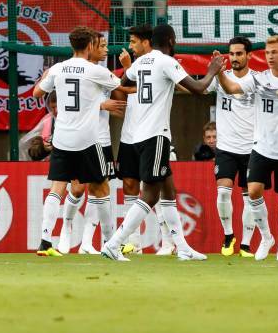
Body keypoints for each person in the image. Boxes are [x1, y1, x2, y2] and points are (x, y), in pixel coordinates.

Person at [101, 24, 224, 261]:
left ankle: (183, 247)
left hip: (136, 136)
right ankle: (115, 243)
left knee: (169, 191)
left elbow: (123, 80)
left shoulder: (140, 62)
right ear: (170, 40)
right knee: (150, 195)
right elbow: (200, 88)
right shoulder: (166, 62)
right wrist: (213, 69)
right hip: (155, 136)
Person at [32, 26, 125, 257]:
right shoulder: (95, 70)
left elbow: (36, 93)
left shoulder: (58, 68)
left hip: (62, 138)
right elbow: (120, 84)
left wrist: (47, 78)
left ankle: (45, 241)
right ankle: (110, 245)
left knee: (57, 187)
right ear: (90, 46)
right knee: (102, 187)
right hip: (87, 140)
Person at [216, 36, 278, 261]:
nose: (270, 56)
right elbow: (232, 88)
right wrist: (219, 72)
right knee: (252, 192)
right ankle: (266, 237)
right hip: (261, 147)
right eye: (268, 52)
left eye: (274, 52)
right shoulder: (259, 79)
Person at [56, 32, 128, 255]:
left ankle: (88, 241)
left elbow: (121, 95)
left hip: (102, 138)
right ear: (91, 47)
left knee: (100, 189)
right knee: (77, 188)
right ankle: (65, 229)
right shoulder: (74, 71)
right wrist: (100, 106)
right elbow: (67, 105)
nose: (106, 50)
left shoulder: (102, 73)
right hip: (80, 137)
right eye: (102, 45)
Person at [117, 24, 177, 256]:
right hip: (129, 135)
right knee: (130, 185)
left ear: (147, 42)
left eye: (133, 42)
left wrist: (127, 70)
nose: (130, 47)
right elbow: (121, 88)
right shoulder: (132, 69)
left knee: (157, 186)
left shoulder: (161, 65)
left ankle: (168, 242)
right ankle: (133, 243)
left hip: (152, 133)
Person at [207, 37, 257, 257]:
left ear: (249, 55)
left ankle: (246, 244)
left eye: (239, 54)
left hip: (252, 148)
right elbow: (197, 88)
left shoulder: (256, 80)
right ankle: (229, 236)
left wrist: (217, 71)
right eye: (232, 54)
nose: (234, 58)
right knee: (222, 194)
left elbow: (231, 88)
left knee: (251, 197)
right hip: (226, 147)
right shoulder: (220, 77)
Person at [19, 91, 57, 161]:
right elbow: (24, 143)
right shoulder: (48, 119)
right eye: (53, 107)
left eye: (57, 107)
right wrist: (40, 144)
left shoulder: (72, 119)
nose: (56, 110)